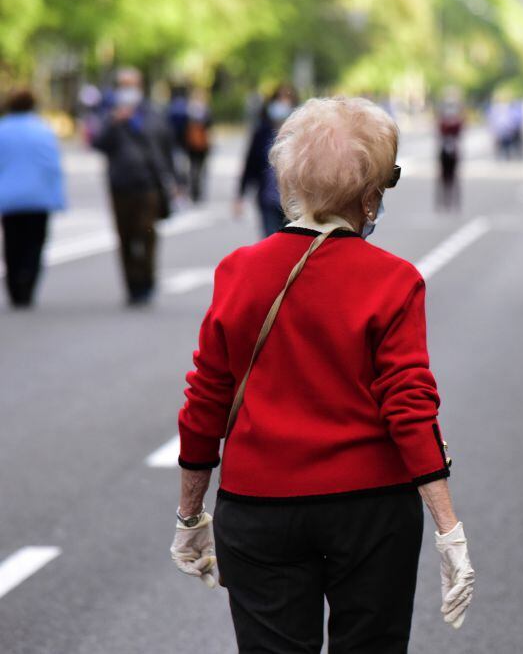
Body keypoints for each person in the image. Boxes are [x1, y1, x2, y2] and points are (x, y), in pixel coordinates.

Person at [170, 96, 475, 652]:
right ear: (369, 194)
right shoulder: (393, 279)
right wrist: (448, 526)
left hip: (258, 506)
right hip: (370, 509)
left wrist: (191, 513)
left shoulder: (238, 272)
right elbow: (410, 406)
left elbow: (206, 401)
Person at [92, 68, 175, 306]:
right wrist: (114, 122)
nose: (127, 91)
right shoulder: (110, 116)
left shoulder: (153, 115)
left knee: (146, 233)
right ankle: (132, 285)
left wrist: (175, 180)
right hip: (120, 185)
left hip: (148, 184)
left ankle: (147, 280)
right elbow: (98, 143)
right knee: (125, 236)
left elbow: (165, 147)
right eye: (122, 85)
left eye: (131, 85)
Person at [0, 89, 65, 309]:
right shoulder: (43, 130)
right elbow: (52, 167)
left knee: (12, 244)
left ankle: (15, 289)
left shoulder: (3, 130)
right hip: (38, 198)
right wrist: (57, 196)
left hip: (9, 199)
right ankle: (28, 286)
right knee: (35, 245)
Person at [236, 85, 296, 238]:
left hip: (294, 202)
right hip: (268, 199)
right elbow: (250, 164)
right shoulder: (262, 133)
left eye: (286, 99)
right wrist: (240, 195)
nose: (282, 104)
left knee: (292, 247)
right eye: (279, 99)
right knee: (271, 243)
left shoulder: (300, 133)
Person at [184, 88, 213, 203]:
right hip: (194, 143)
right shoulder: (191, 111)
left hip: (200, 143)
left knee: (197, 168)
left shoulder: (193, 111)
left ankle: (196, 191)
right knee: (196, 169)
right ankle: (195, 191)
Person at [437, 99, 465, 211]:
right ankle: (444, 201)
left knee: (454, 177)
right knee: (444, 177)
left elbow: (460, 128)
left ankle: (454, 201)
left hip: (453, 151)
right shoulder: (443, 123)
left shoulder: (456, 123)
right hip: (445, 150)